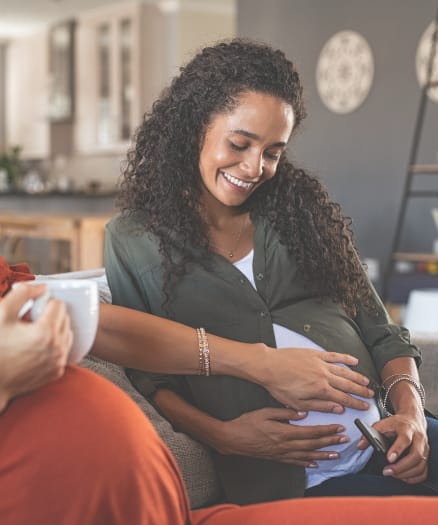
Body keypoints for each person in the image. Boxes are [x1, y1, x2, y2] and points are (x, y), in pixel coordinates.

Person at [0, 21, 438, 525]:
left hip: (195, 496)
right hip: (254, 485)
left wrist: (268, 365)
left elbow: (106, 327)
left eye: (272, 151)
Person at [105, 38, 438, 505]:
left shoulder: (300, 212)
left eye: (273, 152)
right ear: (194, 126)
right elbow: (151, 377)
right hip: (300, 484)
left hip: (395, 440)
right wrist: (224, 436)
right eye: (239, 144)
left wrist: (412, 414)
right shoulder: (132, 239)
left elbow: (382, 331)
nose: (254, 167)